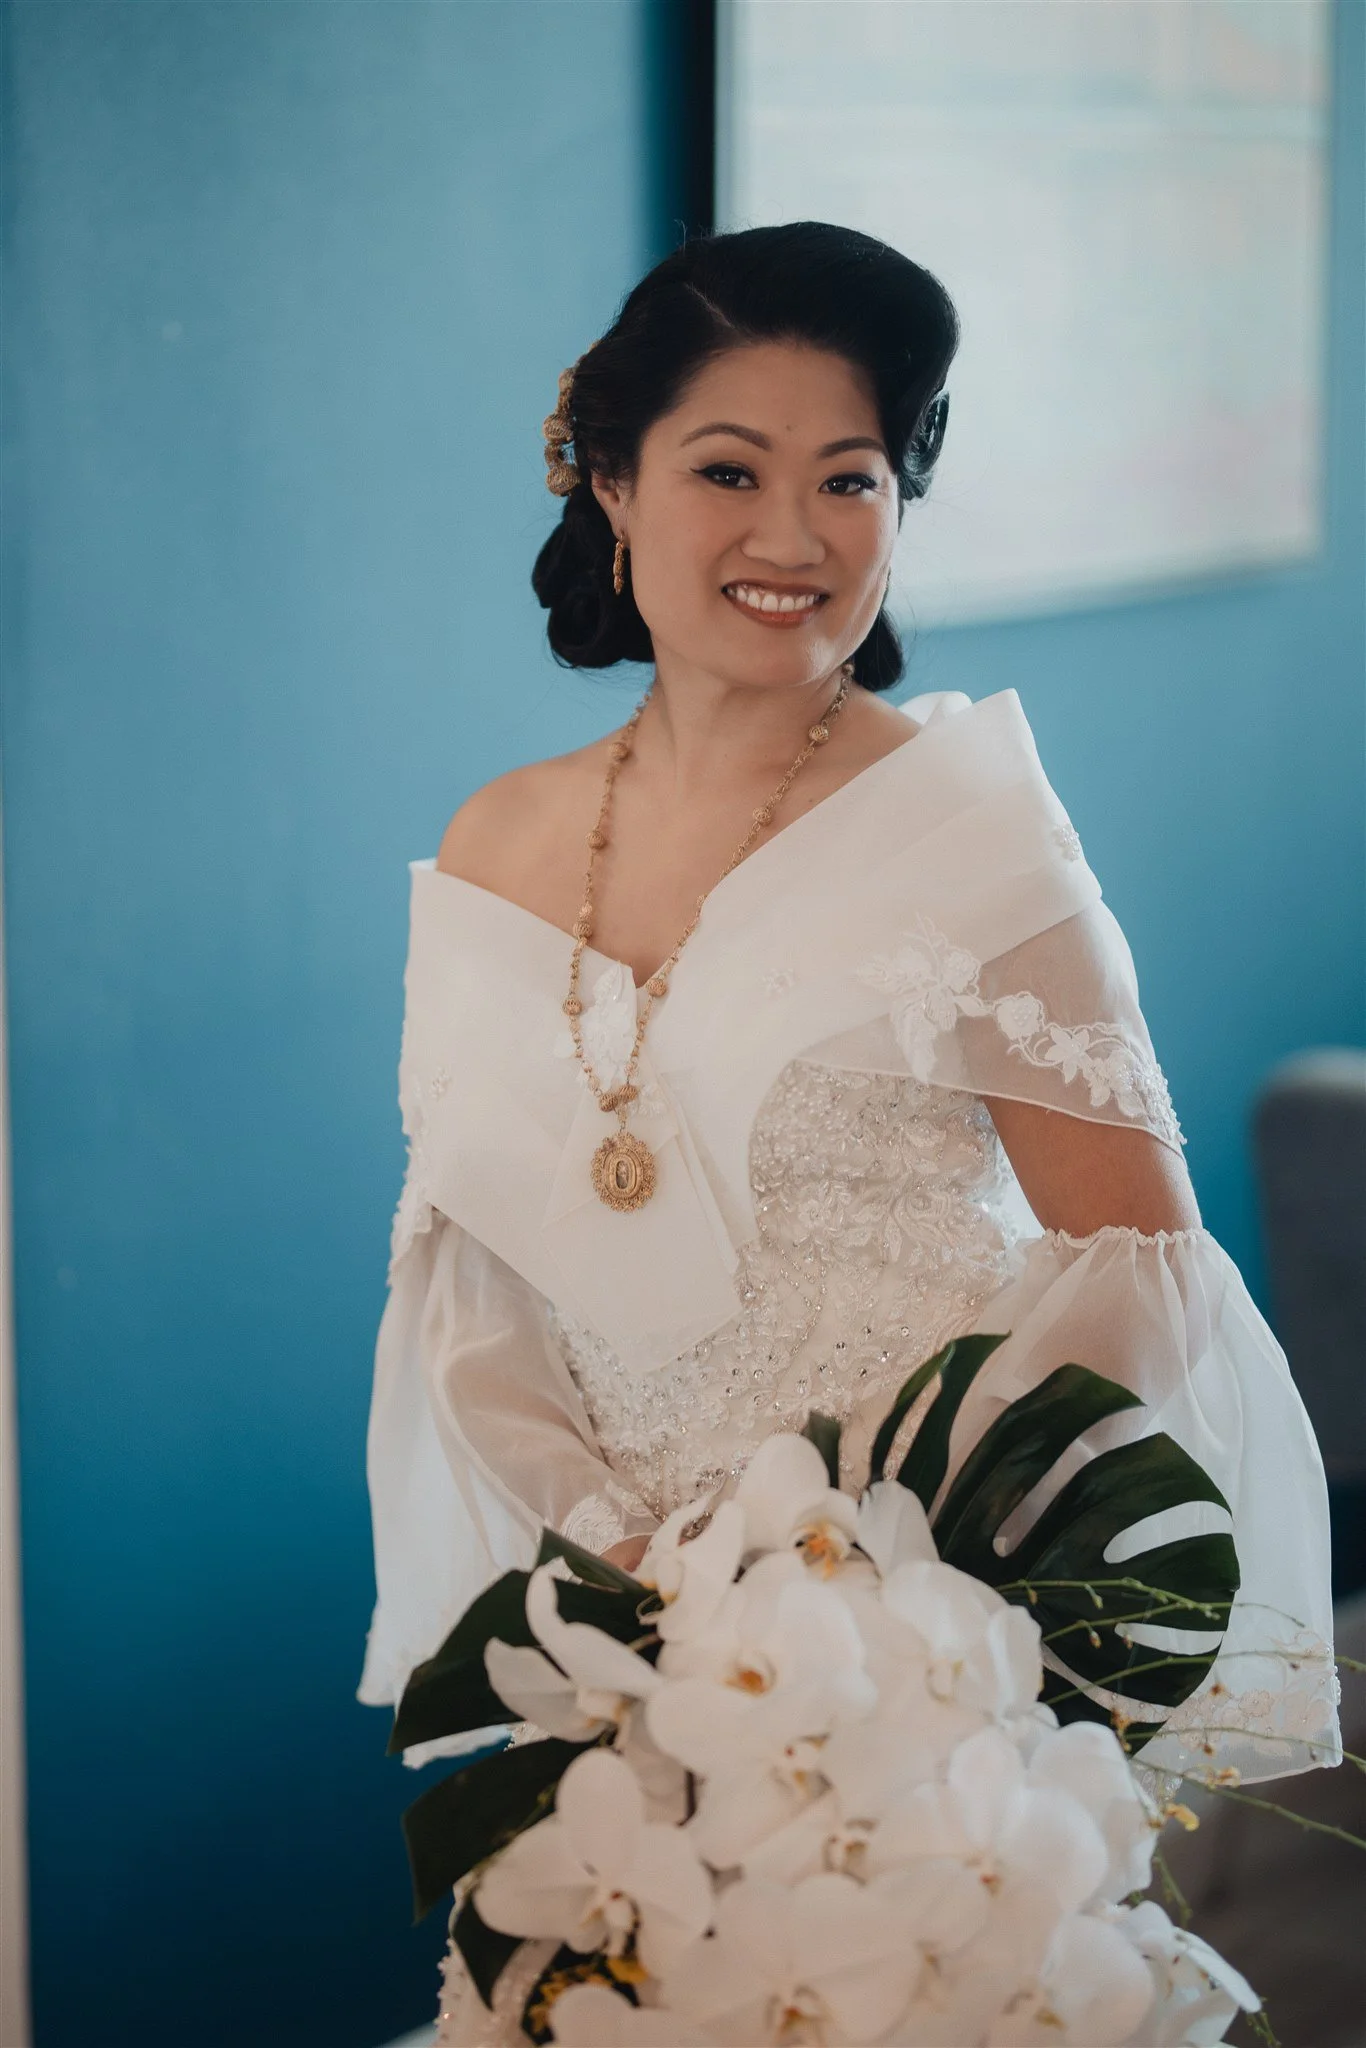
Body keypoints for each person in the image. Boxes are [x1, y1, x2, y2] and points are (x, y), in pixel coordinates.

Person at [358, 222, 1337, 1824]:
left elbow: (1136, 1276)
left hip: (925, 1660)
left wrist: (871, 1574)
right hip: (620, 1665)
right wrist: (618, 1587)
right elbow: (473, 1275)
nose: (792, 533)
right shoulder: (496, 843)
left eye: (849, 478)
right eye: (728, 471)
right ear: (609, 480)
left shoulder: (964, 831)